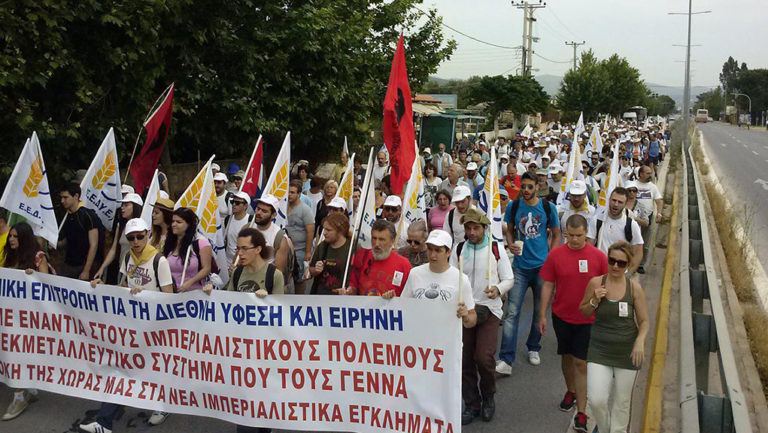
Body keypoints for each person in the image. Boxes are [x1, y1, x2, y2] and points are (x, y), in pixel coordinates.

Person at [79, 219, 173, 433]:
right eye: (131, 238)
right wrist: (103, 288)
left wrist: (146, 296)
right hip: (132, 326)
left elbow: (170, 299)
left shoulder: (159, 261)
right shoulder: (128, 257)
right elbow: (122, 287)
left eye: (140, 236)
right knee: (122, 368)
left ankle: (163, 404)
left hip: (154, 327)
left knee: (150, 369)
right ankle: (105, 421)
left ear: (147, 234)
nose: (136, 241)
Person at [536, 215, 608, 433]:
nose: (575, 240)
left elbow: (608, 285)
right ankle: (571, 391)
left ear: (586, 233)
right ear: (565, 232)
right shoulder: (555, 254)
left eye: (579, 236)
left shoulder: (598, 257)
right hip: (562, 317)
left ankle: (582, 413)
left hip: (588, 319)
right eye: (571, 235)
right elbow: (548, 284)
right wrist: (542, 314)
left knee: (581, 363)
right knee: (566, 357)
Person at [448, 209, 514, 425]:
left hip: (489, 309)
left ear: (484, 228)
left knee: (483, 358)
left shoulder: (496, 249)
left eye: (476, 227)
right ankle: (471, 403)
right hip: (465, 310)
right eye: (468, 228)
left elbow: (509, 278)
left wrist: (497, 288)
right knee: (465, 360)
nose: (472, 232)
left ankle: (488, 397)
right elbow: (451, 277)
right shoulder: (459, 249)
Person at [579, 240, 649, 433]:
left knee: (622, 402)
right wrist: (594, 300)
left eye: (622, 263)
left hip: (627, 353)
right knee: (597, 399)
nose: (616, 266)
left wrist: (639, 342)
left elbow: (644, 321)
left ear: (627, 265)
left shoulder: (634, 289)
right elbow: (583, 311)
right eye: (612, 261)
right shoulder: (596, 282)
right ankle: (604, 428)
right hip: (599, 350)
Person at [497, 171, 560, 375]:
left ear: (537, 188)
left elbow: (556, 233)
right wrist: (509, 244)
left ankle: (533, 347)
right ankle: (506, 358)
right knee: (512, 313)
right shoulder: (514, 206)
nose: (525, 190)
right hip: (520, 268)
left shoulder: (547, 207)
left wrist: (552, 257)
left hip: (542, 268)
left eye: (529, 187)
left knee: (538, 312)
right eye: (523, 186)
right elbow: (509, 228)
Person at [1, 222, 47, 421]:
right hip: (9, 317)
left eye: (16, 236)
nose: (11, 239)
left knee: (17, 354)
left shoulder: (38, 258)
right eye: (10, 236)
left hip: (29, 319)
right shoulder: (8, 257)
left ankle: (19, 396)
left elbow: (48, 288)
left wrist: (34, 277)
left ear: (25, 238)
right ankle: (28, 388)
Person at [342, 219, 410, 297]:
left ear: (392, 240)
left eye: (382, 239)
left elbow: (407, 296)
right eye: (374, 238)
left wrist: (394, 298)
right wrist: (350, 291)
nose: (376, 244)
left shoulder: (403, 264)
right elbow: (353, 285)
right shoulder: (361, 256)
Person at [94, 193, 143, 285]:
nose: (122, 208)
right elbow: (113, 249)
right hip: (122, 269)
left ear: (135, 207)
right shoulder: (120, 225)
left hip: (135, 273)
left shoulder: (142, 228)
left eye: (126, 205)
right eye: (122, 205)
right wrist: (102, 268)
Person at [58, 183, 103, 280]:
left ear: (76, 196)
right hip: (69, 264)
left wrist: (86, 270)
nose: (62, 201)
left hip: (84, 265)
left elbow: (94, 245)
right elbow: (71, 238)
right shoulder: (67, 216)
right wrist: (57, 244)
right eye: (61, 197)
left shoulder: (88, 215)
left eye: (65, 197)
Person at [594, 188, 644, 274]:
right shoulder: (597, 220)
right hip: (600, 272)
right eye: (614, 200)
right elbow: (589, 245)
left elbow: (638, 252)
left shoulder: (631, 225)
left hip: (620, 274)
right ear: (609, 200)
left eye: (620, 202)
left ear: (625, 204)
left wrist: (629, 274)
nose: (616, 204)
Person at [163, 207, 212, 291]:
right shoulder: (168, 242)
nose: (174, 224)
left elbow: (206, 268)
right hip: (170, 293)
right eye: (173, 221)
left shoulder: (201, 243)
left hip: (193, 293)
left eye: (179, 222)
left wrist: (189, 282)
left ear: (188, 224)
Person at [308, 213, 352, 295]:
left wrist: (351, 290)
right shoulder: (322, 247)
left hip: (342, 299)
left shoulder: (352, 248)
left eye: (328, 230)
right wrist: (316, 270)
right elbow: (310, 270)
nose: (324, 233)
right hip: (321, 297)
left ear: (340, 230)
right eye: (324, 229)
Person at [286, 181, 314, 293]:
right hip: (285, 250)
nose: (289, 195)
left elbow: (310, 232)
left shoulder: (305, 209)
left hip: (299, 250)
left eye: (292, 192)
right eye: (288, 192)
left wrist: (307, 252)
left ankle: (299, 301)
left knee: (299, 280)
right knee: (283, 279)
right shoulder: (282, 207)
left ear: (299, 194)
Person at [634, 165, 662, 273]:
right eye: (648, 173)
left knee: (645, 242)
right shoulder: (633, 185)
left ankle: (641, 264)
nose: (650, 175)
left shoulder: (652, 187)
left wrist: (659, 213)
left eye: (651, 173)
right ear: (641, 174)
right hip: (635, 217)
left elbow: (658, 201)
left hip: (648, 217)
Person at [224, 191, 256, 265]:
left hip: (242, 261)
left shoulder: (250, 221)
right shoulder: (228, 219)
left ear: (245, 205)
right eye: (233, 202)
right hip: (227, 260)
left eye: (237, 203)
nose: (234, 204)